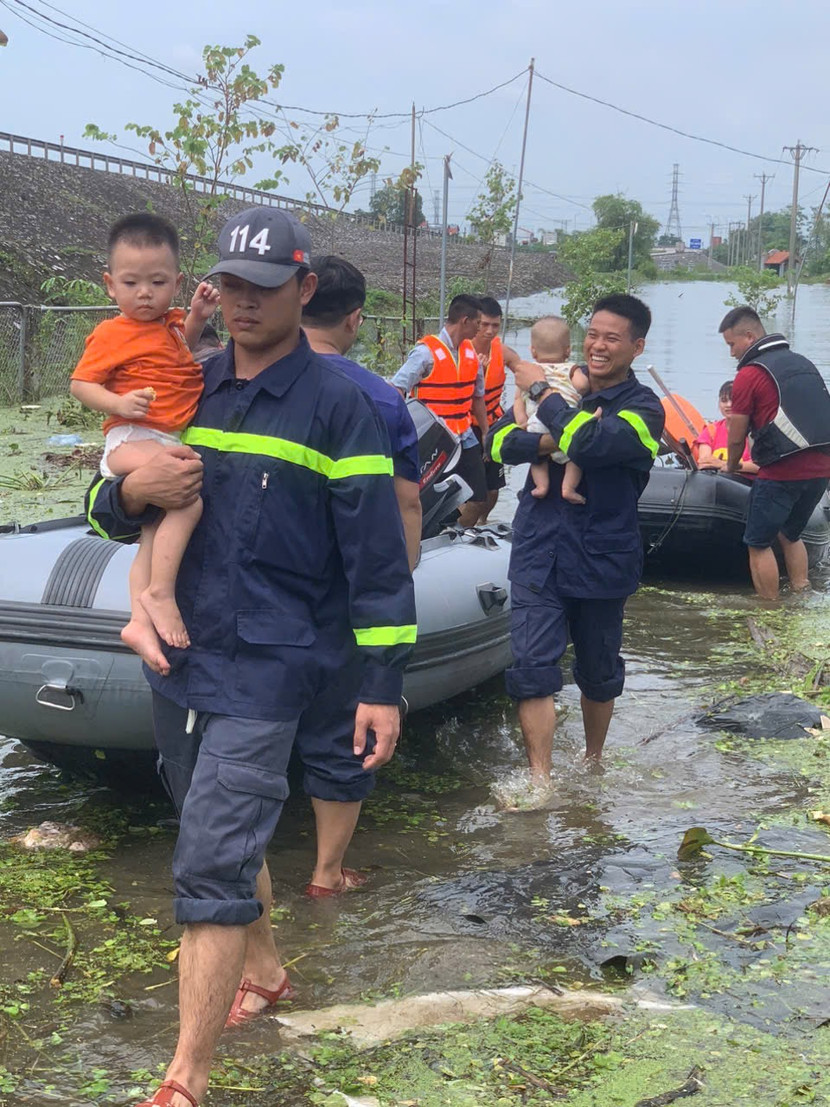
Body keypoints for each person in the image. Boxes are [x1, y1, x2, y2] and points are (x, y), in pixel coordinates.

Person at [86, 207, 416, 1107]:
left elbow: (378, 561)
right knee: (210, 823)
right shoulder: (191, 383)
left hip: (274, 665)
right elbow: (120, 507)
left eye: (264, 289)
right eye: (229, 284)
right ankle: (267, 969)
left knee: (211, 856)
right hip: (181, 655)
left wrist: (380, 685)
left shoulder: (341, 405)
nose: (241, 303)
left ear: (304, 289)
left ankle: (183, 1076)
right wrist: (122, 488)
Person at [486, 294, 664, 783]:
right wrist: (551, 435)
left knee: (600, 672)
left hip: (602, 555)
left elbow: (595, 446)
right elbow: (499, 441)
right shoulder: (566, 377)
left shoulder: (644, 410)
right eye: (593, 334)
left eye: (612, 338)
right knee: (532, 667)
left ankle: (592, 762)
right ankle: (540, 779)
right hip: (539, 549)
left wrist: (543, 395)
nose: (598, 346)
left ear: (637, 346)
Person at [70, 213, 220, 667]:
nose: (144, 293)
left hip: (158, 433)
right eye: (131, 282)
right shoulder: (114, 333)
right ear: (110, 285)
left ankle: (138, 620)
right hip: (134, 436)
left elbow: (182, 352)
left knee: (152, 530)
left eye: (156, 282)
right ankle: (160, 592)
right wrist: (117, 403)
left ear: (175, 282)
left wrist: (196, 317)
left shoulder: (170, 326)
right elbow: (80, 384)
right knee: (188, 495)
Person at [302, 255, 422, 571]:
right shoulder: (383, 399)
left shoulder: (255, 377)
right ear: (354, 319)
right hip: (351, 572)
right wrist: (403, 579)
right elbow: (407, 503)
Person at [719, 305, 830, 599]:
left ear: (749, 335)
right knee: (790, 534)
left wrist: (731, 466)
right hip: (821, 470)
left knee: (758, 542)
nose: (731, 352)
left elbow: (736, 434)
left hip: (782, 472)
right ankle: (801, 591)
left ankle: (768, 608)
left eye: (732, 344)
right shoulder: (802, 362)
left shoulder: (749, 374)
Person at [392, 293, 488, 528]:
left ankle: (459, 539)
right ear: (465, 321)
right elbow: (396, 389)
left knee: (478, 497)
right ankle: (431, 539)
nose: (480, 329)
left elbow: (478, 398)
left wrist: (485, 431)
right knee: (431, 500)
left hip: (465, 437)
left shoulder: (471, 355)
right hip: (435, 439)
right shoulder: (425, 353)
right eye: (478, 323)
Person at [512, 316, 591, 503]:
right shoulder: (571, 368)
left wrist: (522, 420)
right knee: (573, 456)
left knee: (537, 456)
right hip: (564, 422)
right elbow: (582, 385)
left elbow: (518, 399)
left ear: (533, 351)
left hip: (536, 422)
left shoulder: (529, 372)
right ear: (568, 350)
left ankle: (541, 486)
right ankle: (568, 488)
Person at [470, 296, 513, 521]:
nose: (489, 330)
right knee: (473, 492)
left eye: (495, 325)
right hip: (467, 428)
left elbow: (522, 367)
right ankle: (462, 527)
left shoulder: (500, 350)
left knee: (493, 488)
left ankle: (483, 522)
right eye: (484, 324)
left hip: (493, 424)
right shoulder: (462, 350)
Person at [694, 379, 757, 476]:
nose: (728, 405)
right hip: (717, 482)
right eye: (724, 401)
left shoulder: (755, 432)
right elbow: (704, 461)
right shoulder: (711, 430)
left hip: (745, 485)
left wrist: (723, 464)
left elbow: (759, 466)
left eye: (733, 400)